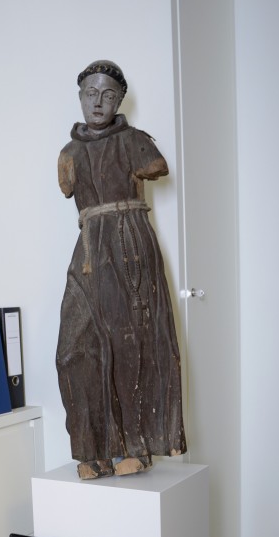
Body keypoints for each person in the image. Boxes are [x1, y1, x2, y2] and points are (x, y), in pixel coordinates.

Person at [56, 60, 186, 480]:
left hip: (129, 243)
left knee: (131, 345)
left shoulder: (133, 141)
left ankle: (136, 447)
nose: (98, 101)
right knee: (74, 350)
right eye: (90, 92)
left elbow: (157, 166)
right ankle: (90, 449)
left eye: (108, 94)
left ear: (119, 100)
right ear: (80, 96)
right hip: (90, 247)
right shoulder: (69, 153)